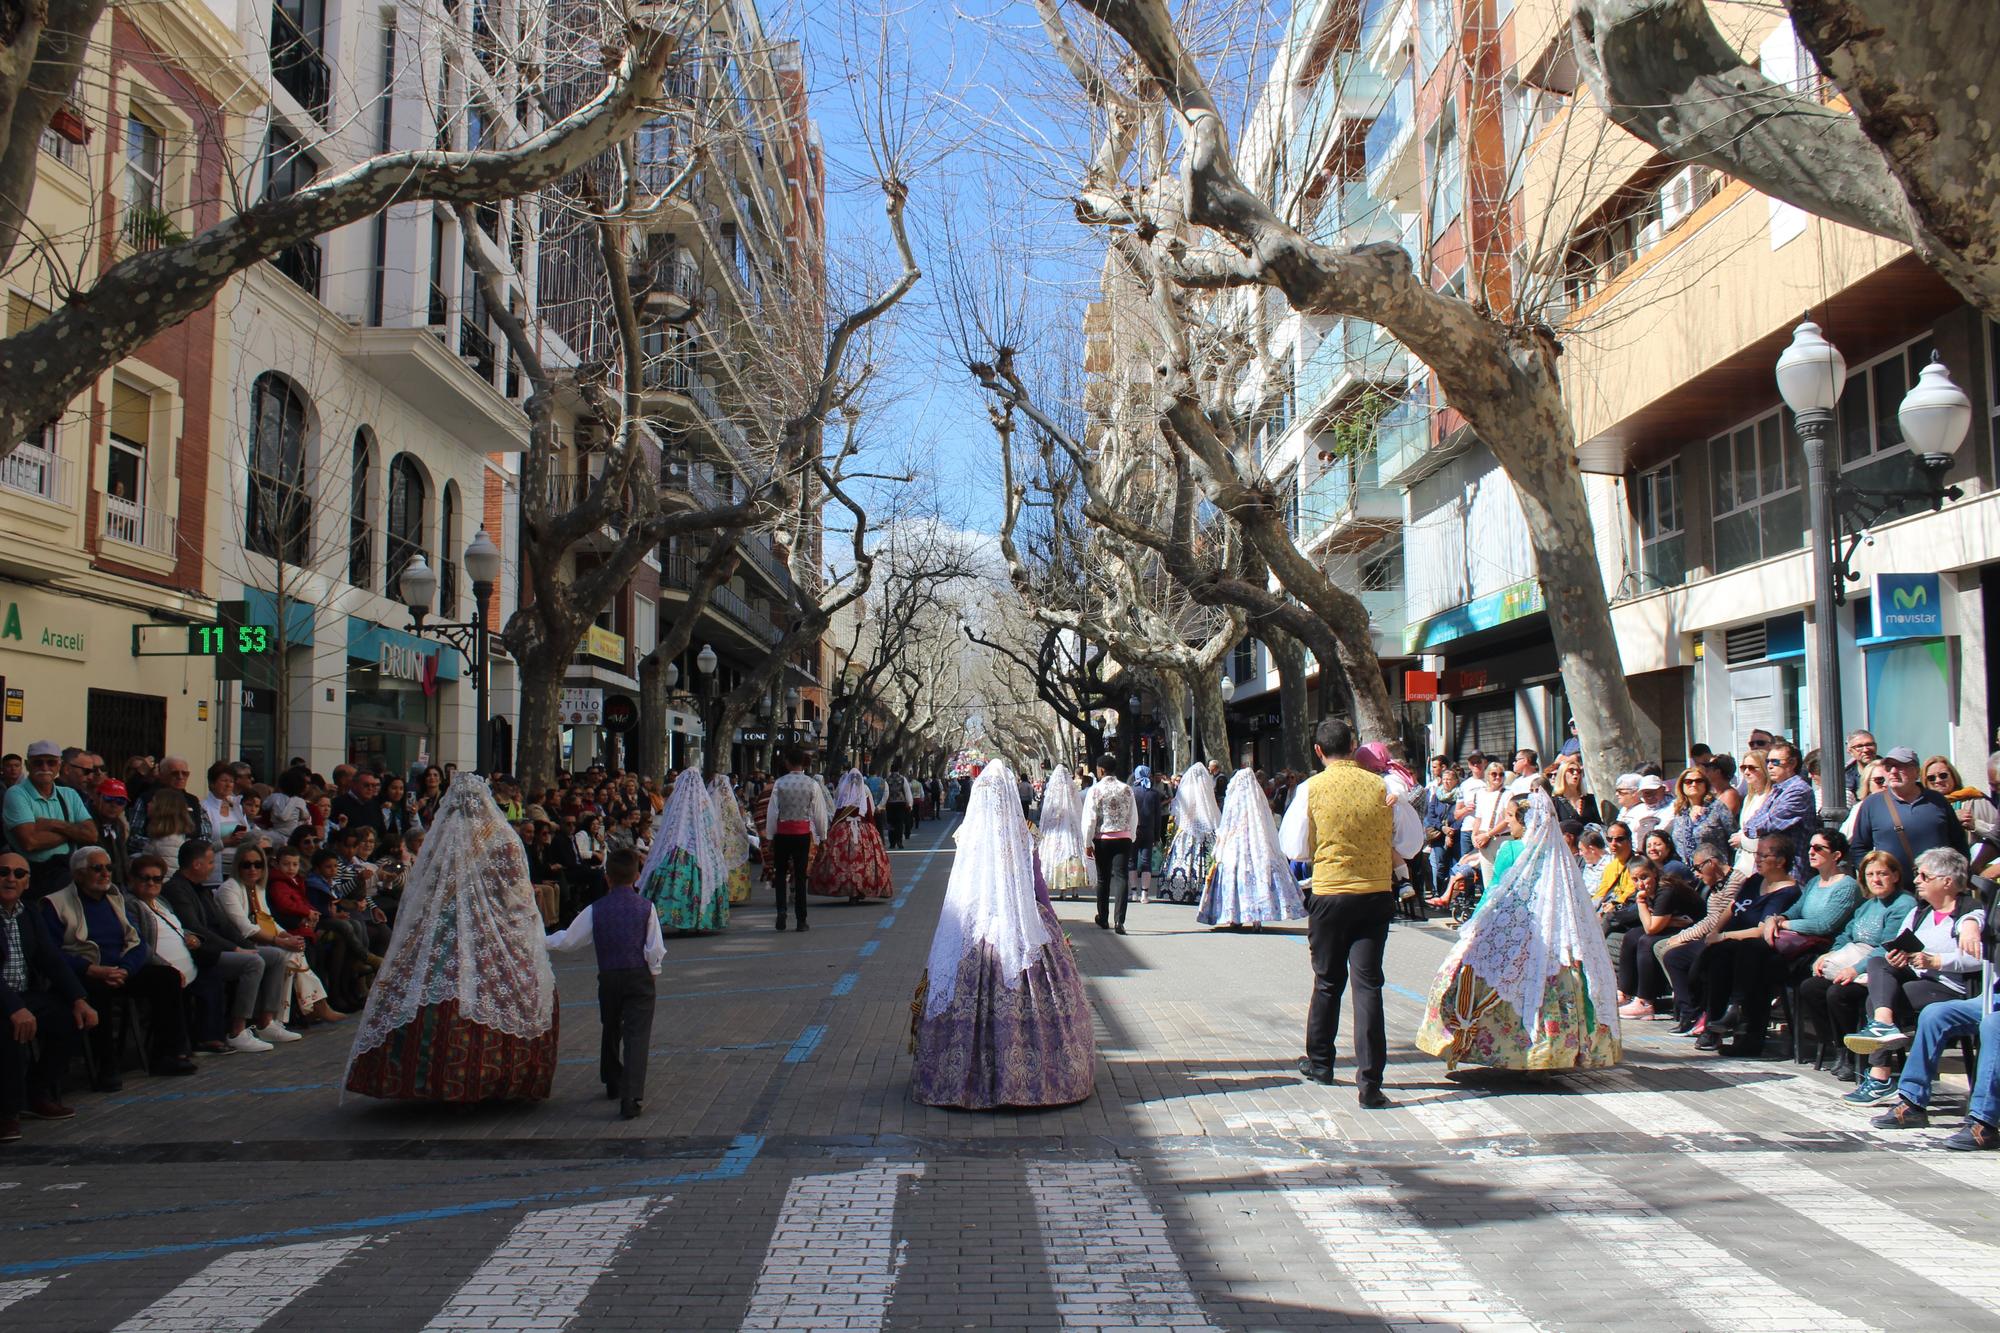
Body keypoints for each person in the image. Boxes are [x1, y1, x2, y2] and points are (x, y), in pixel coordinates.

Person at [345, 775, 559, 1103]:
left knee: (431, 990)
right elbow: (517, 892)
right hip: (487, 928)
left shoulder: (439, 838)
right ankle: (488, 1078)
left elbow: (422, 890)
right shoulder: (502, 838)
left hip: (443, 927)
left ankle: (422, 1079)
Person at [909, 760, 1094, 1110]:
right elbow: (1037, 887)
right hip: (1022, 924)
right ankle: (1031, 1078)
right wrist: (1052, 928)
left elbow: (962, 887)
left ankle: (963, 1076)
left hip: (974, 926)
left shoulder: (967, 834)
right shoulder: (1025, 832)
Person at [1419, 789, 1621, 1071]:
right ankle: (1553, 1053)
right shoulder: (1557, 851)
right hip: (1554, 938)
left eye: (1511, 817)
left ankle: (1509, 1052)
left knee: (1472, 974)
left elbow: (1494, 894)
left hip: (1515, 932)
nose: (1508, 823)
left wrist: (1474, 928)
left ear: (1526, 821)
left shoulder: (1510, 850)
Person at [1276, 720, 1401, 1108]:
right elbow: (1409, 842)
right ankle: (1370, 1084)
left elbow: (1293, 846)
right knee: (1369, 985)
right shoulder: (1382, 787)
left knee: (1328, 980)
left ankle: (1321, 1062)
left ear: (1318, 751)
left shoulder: (1310, 789)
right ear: (1353, 745)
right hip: (1374, 892)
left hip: (1330, 893)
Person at [1840, 847, 1985, 1106]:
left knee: (1879, 999)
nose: (1916, 880)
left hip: (1948, 986)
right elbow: (1899, 944)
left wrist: (1936, 961)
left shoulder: (1970, 913)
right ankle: (1883, 1027)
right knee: (1878, 963)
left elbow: (1979, 959)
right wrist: (1899, 956)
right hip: (1918, 976)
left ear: (1947, 881)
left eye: (1924, 876)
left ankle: (1880, 1076)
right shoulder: (1921, 912)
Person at [42, 846, 196, 1083]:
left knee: (167, 978)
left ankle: (167, 1055)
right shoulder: (55, 904)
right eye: (97, 868)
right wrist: (90, 969)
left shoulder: (115, 898)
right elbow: (50, 953)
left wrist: (126, 969)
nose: (105, 874)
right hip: (86, 971)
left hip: (119, 970)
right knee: (97, 990)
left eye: (108, 868)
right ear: (78, 874)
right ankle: (106, 1065)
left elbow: (136, 942)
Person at [545, 845, 664, 1120]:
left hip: (609, 975)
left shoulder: (596, 909)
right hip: (639, 975)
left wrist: (540, 941)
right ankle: (631, 1096)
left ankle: (612, 1077)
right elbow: (654, 948)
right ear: (637, 877)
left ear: (607, 878)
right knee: (637, 1035)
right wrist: (653, 973)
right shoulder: (646, 907)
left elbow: (569, 940)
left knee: (611, 1025)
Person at [0, 851, 96, 1141]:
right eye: (3, 872)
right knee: (11, 1028)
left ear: (28, 882)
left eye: (19, 874)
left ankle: (36, 1092)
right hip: (5, 1000)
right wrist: (14, 1007)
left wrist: (79, 998)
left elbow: (51, 959)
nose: (10, 879)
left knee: (72, 1019)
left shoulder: (29, 912)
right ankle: (7, 1112)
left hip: (24, 996)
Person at [1795, 849, 1916, 1078]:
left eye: (1882, 874)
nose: (1876, 880)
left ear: (1896, 875)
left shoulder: (1902, 904)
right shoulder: (1868, 904)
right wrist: (1829, 955)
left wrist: (1855, 969)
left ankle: (1855, 1054)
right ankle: (1838, 1047)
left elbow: (1887, 946)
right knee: (1810, 987)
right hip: (1851, 960)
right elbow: (1847, 935)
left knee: (1837, 994)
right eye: (1870, 875)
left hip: (1879, 969)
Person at [1200, 764, 1306, 929]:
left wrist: (1220, 844)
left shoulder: (1234, 800)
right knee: (1258, 876)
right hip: (1258, 844)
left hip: (1235, 845)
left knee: (1235, 876)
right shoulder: (1257, 800)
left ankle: (1234, 916)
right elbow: (1265, 824)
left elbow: (1227, 824)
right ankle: (1258, 917)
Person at [1850, 746, 1969, 886]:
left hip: (1938, 890)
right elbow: (1859, 848)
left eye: (1900, 766)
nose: (1893, 771)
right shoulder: (1872, 804)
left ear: (1916, 772)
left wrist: (1959, 879)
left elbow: (1959, 843)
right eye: (1888, 767)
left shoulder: (1937, 801)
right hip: (1895, 893)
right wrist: (1874, 878)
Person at [640, 767, 731, 933]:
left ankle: (674, 916)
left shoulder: (677, 802)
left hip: (678, 847)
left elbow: (669, 826)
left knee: (676, 878)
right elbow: (710, 828)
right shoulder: (703, 802)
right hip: (699, 848)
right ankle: (699, 919)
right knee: (702, 878)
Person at [3, 741, 98, 900]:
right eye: (38, 762)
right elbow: (30, 842)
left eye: (51, 762)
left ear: (59, 765)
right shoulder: (17, 794)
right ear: (28, 764)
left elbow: (92, 835)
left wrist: (53, 824)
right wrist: (73, 832)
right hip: (32, 883)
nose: (45, 767)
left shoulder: (70, 794)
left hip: (66, 879)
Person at [1615, 859, 1705, 1019]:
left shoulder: (1665, 890)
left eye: (1644, 877)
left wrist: (1641, 901)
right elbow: (1652, 921)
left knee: (1646, 941)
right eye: (1635, 879)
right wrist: (1667, 920)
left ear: (1654, 873)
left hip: (1696, 929)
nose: (1640, 884)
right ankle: (1624, 992)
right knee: (1631, 936)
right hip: (1676, 923)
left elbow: (1651, 928)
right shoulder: (1650, 889)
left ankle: (1645, 1002)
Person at [764, 749, 828, 932]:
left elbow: (772, 812)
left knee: (780, 874)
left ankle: (781, 911)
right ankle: (801, 919)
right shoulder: (812, 784)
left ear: (788, 762)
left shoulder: (779, 783)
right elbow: (819, 813)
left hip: (783, 833)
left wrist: (770, 837)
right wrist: (822, 837)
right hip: (802, 834)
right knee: (800, 877)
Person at [809, 768, 894, 906]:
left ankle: (847, 888)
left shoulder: (843, 790)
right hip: (863, 828)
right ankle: (862, 887)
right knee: (865, 860)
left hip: (843, 829)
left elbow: (838, 811)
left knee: (843, 859)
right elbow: (870, 812)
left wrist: (830, 831)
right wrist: (874, 831)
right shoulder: (864, 790)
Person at [1737, 743, 1816, 880]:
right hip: (1768, 871)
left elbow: (1770, 823)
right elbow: (1751, 823)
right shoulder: (1777, 789)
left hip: (1790, 871)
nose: (1769, 766)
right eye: (1768, 761)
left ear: (1792, 763)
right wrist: (1752, 827)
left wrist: (1755, 827)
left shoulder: (1798, 790)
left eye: (1775, 762)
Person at [1079, 754, 1138, 934]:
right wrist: (1131, 835)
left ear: (1101, 770)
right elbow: (1133, 815)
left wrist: (1087, 841)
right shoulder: (1127, 789)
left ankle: (1103, 917)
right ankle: (1119, 920)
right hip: (1123, 837)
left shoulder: (1095, 790)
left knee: (1103, 878)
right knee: (1122, 877)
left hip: (1103, 838)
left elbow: (1090, 819)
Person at [1161, 763, 1220, 904]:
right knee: (1205, 859)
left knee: (1183, 858)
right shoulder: (1206, 788)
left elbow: (1177, 810)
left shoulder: (1186, 789)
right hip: (1206, 829)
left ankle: (1181, 890)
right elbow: (1212, 810)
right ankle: (1202, 889)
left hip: (1187, 831)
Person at [1035, 766, 1092, 901]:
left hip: (1055, 829)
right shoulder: (1071, 789)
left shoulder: (1053, 790)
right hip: (1071, 829)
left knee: (1057, 855)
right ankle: (1074, 889)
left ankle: (1062, 889)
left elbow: (1047, 811)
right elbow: (1078, 808)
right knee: (1072, 853)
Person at [1668, 767, 1733, 868]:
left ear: (1706, 785)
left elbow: (1732, 835)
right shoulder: (1679, 812)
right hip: (1687, 873)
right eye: (1688, 781)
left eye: (1699, 781)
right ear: (1682, 786)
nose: (1694, 784)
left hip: (1714, 870)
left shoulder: (1717, 807)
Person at [708, 774, 754, 906]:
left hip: (717, 834)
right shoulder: (729, 797)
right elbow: (736, 817)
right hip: (731, 835)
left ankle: (721, 892)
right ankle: (733, 893)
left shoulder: (711, 796)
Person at [1130, 765, 1163, 904]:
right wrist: (1157, 835)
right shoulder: (1154, 793)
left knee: (1131, 861)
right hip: (1149, 830)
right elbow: (1158, 816)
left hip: (1133, 830)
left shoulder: (1131, 791)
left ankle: (1133, 893)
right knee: (1146, 862)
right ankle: (1145, 894)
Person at [883, 762, 915, 850]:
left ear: (890, 770)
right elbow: (907, 792)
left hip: (890, 804)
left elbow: (884, 793)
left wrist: (883, 804)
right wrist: (909, 803)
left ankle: (892, 842)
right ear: (898, 770)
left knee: (891, 823)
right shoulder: (902, 779)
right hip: (900, 804)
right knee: (899, 823)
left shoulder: (886, 780)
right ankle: (899, 841)